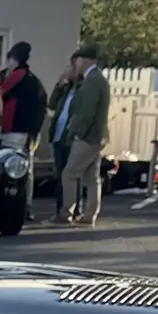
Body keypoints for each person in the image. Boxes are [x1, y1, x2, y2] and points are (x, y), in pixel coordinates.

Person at [52, 44, 105, 228]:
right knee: (91, 177)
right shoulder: (99, 79)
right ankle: (89, 214)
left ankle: (66, 212)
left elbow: (87, 112)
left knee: (69, 173)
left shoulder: (91, 80)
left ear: (84, 60)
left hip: (87, 136)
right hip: (97, 136)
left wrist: (76, 133)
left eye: (78, 61)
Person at [0, 42, 47, 143]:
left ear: (14, 59)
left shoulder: (18, 75)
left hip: (15, 129)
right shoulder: (32, 78)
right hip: (26, 129)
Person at [46, 62, 76, 220]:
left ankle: (73, 209)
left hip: (69, 137)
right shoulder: (66, 89)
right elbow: (51, 105)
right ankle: (61, 210)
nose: (65, 71)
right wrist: (59, 85)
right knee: (60, 175)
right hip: (58, 136)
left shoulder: (80, 89)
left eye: (68, 68)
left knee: (70, 175)